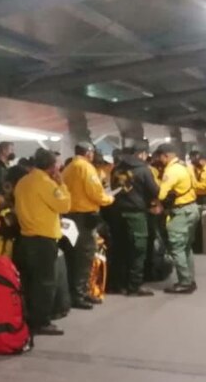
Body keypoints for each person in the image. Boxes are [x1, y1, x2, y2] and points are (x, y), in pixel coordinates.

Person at [14, 149, 71, 336]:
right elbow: (64, 205)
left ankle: (28, 318)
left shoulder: (23, 181)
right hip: (43, 240)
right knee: (45, 282)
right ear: (52, 166)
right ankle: (41, 322)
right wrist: (62, 185)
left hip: (25, 238)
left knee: (29, 281)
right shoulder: (46, 183)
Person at [61, 142, 114, 309]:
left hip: (69, 217)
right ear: (88, 153)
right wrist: (109, 199)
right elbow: (96, 193)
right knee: (85, 256)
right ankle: (80, 295)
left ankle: (74, 293)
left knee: (73, 256)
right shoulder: (86, 168)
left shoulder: (68, 168)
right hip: (84, 219)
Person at [108, 142, 160, 297]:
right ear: (141, 154)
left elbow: (112, 187)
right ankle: (134, 286)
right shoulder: (144, 170)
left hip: (117, 213)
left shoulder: (116, 169)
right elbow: (154, 190)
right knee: (138, 250)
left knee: (120, 248)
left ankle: (118, 284)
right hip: (136, 214)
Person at [154, 144, 200, 294]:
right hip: (192, 209)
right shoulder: (186, 166)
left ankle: (184, 283)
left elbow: (161, 194)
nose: (159, 160)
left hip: (181, 212)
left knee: (177, 247)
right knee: (186, 247)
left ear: (165, 156)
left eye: (160, 157)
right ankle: (190, 279)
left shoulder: (171, 170)